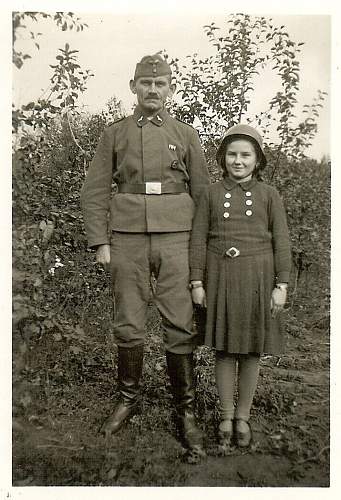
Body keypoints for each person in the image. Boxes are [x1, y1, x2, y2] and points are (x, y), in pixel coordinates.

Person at [81, 54, 210, 457]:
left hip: (177, 237)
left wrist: (200, 251)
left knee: (179, 321)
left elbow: (203, 196)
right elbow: (96, 190)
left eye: (160, 84)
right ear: (133, 86)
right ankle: (128, 400)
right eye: (145, 83)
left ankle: (184, 411)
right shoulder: (114, 134)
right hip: (127, 239)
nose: (152, 90)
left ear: (171, 89)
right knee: (129, 320)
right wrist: (101, 242)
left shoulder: (186, 134)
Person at [189, 124, 291, 448]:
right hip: (220, 276)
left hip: (258, 279)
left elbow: (283, 244)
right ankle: (225, 415)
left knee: (250, 351)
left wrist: (282, 285)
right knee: (223, 349)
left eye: (246, 154)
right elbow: (197, 240)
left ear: (257, 160)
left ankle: (243, 417)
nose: (238, 160)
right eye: (232, 154)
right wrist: (196, 281)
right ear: (222, 158)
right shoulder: (210, 194)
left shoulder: (269, 195)